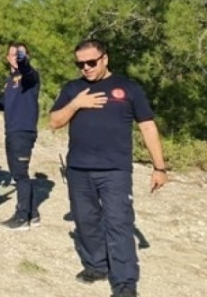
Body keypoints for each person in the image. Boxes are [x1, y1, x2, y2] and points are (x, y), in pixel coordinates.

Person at [49, 39, 168, 297]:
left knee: (119, 223)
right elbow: (54, 121)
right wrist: (76, 104)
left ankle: (125, 284)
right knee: (86, 221)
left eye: (91, 62)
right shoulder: (73, 89)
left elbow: (147, 126)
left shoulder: (128, 88)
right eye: (80, 64)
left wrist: (160, 167)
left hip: (115, 170)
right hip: (79, 169)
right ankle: (96, 265)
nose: (86, 68)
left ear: (105, 59)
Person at [0, 42, 41, 230]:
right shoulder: (9, 80)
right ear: (7, 57)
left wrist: (23, 61)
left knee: (20, 174)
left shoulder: (30, 76)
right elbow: (3, 104)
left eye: (20, 55)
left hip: (23, 130)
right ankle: (32, 213)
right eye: (13, 54)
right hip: (11, 129)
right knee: (19, 173)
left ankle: (21, 218)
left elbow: (26, 70)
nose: (16, 57)